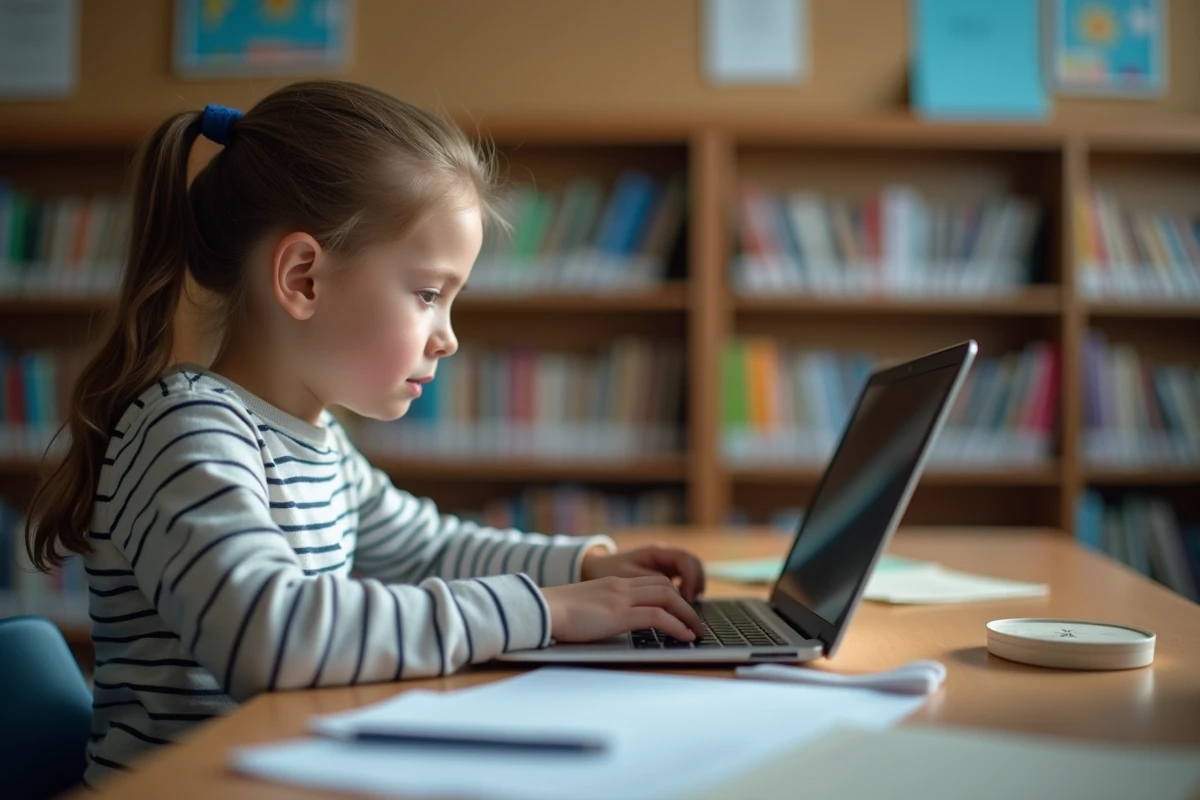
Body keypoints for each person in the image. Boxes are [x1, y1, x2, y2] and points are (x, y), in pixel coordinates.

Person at [23, 80, 706, 787]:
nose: (448, 339)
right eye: (428, 294)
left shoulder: (319, 441)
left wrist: (585, 567)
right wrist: (545, 611)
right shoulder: (187, 429)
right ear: (303, 279)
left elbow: (429, 549)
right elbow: (273, 635)